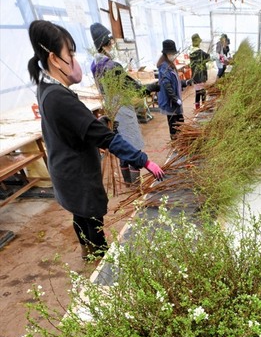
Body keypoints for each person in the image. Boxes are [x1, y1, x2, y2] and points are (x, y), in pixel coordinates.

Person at [27, 20, 164, 260]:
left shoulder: (46, 86)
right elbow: (106, 139)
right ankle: (99, 259)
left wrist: (97, 124)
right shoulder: (60, 98)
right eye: (69, 53)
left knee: (80, 216)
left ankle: (87, 253)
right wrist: (143, 160)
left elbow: (76, 127)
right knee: (91, 221)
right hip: (77, 176)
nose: (74, 59)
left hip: (64, 170)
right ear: (54, 59)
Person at [90, 22, 159, 186]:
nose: (112, 45)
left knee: (121, 147)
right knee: (132, 146)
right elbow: (133, 88)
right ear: (106, 44)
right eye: (111, 43)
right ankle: (136, 186)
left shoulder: (95, 65)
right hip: (123, 109)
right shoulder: (112, 66)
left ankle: (128, 183)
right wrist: (152, 88)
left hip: (111, 109)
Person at [157, 39, 184, 140]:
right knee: (174, 124)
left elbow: (174, 81)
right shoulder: (164, 67)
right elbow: (167, 86)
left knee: (180, 122)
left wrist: (185, 82)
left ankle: (180, 139)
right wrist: (175, 98)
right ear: (167, 53)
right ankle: (175, 141)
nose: (174, 56)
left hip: (174, 100)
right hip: (170, 102)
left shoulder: (170, 65)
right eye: (172, 54)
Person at [189, 33, 211, 110]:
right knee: (203, 91)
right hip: (201, 75)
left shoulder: (190, 52)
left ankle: (197, 107)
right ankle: (204, 106)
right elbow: (208, 58)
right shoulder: (200, 52)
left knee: (197, 92)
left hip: (195, 76)